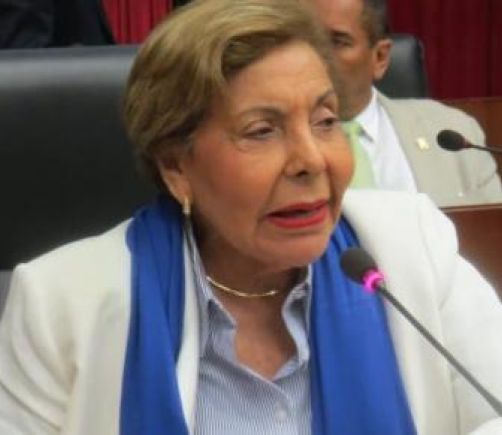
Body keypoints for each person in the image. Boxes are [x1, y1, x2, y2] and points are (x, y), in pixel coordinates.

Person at [0, 0, 501, 434]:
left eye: (326, 121)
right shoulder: (60, 303)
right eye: (262, 131)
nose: (312, 160)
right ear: (176, 167)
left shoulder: (413, 249)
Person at [310, 0, 502, 207]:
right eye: (306, 42)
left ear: (380, 57)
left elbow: (492, 224)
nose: (315, 57)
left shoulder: (456, 133)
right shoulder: (283, 145)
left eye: (337, 42)